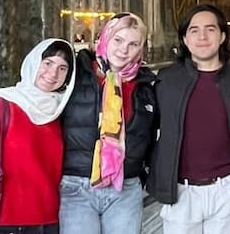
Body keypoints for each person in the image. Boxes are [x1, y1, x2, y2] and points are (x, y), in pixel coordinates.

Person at [148, 4, 230, 234]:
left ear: (223, 35)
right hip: (181, 190)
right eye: (194, 30)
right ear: (185, 39)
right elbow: (149, 129)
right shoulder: (166, 80)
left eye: (210, 29)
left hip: (226, 187)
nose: (202, 36)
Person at [0, 38, 77, 234]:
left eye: (62, 68)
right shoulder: (0, 106)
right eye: (47, 63)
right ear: (33, 62)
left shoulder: (59, 112)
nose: (53, 74)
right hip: (6, 222)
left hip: (49, 222)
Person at [58, 13, 157, 233]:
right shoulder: (75, 73)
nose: (124, 50)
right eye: (118, 40)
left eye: (133, 44)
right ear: (105, 38)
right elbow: (39, 96)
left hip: (125, 187)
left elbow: (149, 136)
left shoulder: (145, 86)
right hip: (77, 186)